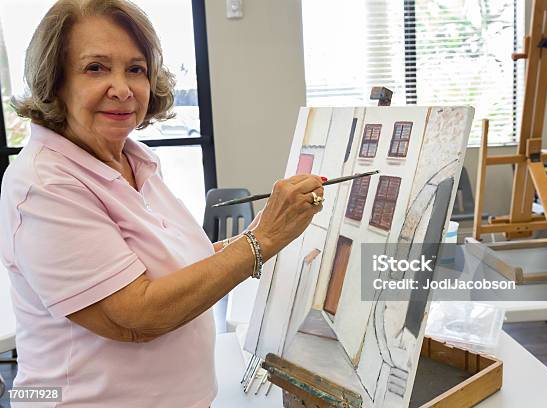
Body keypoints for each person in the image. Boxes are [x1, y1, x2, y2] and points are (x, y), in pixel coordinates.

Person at [0, 1, 324, 406]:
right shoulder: (43, 185)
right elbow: (138, 315)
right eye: (95, 68)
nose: (122, 88)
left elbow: (181, 265)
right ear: (56, 81)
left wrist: (258, 235)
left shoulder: (134, 161)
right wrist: (263, 242)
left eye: (135, 69)